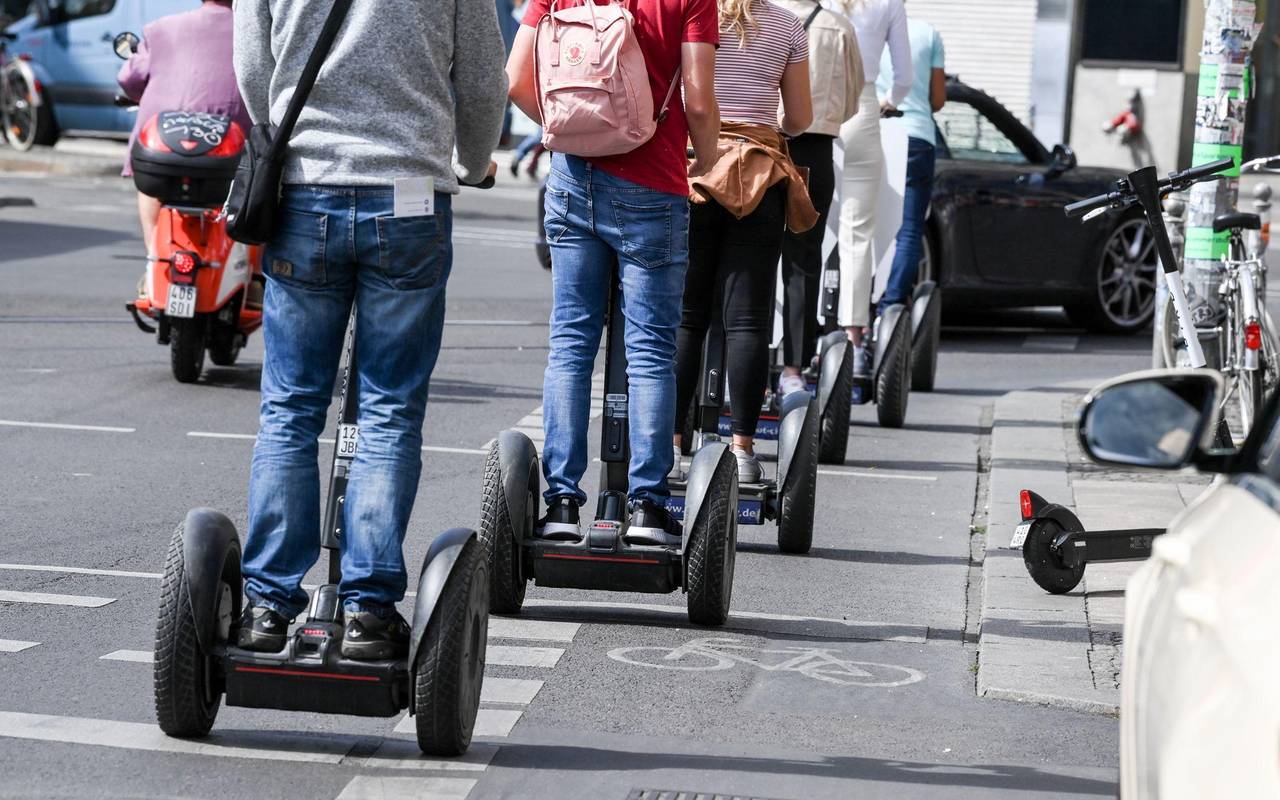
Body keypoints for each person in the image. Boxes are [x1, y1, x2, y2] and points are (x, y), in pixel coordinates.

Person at [231, 0, 507, 658]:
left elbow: (250, 65)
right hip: (408, 192)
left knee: (292, 407)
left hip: (305, 187)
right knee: (388, 410)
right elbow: (481, 79)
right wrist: (471, 161)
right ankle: (368, 613)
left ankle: (267, 604)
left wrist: (287, 131)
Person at [506, 0, 721, 545]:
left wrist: (570, 129)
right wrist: (708, 155)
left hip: (573, 182)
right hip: (653, 183)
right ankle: (647, 505)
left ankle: (559, 503)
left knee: (571, 342)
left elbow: (516, 81)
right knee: (649, 348)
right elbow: (697, 97)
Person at [674, 0, 816, 484]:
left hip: (693, 168)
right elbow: (798, 118)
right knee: (748, 321)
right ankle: (743, 449)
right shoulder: (787, 24)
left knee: (687, 316)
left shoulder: (690, 12)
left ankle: (671, 447)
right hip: (758, 172)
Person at [116, 0, 251, 293]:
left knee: (150, 187)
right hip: (229, 149)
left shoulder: (161, 29)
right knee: (256, 195)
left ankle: (154, 260)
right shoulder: (253, 30)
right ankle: (252, 279)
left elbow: (128, 79)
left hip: (163, 147)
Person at [773, 0, 864, 395]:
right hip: (815, 149)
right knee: (804, 259)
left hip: (764, 144)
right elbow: (851, 101)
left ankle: (747, 362)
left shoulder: (764, 16)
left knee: (750, 259)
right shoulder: (838, 26)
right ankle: (794, 368)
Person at [834, 0, 912, 375]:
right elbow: (904, 77)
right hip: (863, 105)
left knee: (799, 225)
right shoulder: (889, 4)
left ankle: (784, 338)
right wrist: (889, 102)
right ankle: (853, 336)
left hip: (817, 99)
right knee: (857, 230)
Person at [876, 13, 944, 316]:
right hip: (917, 136)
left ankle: (853, 311)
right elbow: (938, 99)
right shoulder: (928, 34)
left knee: (862, 224)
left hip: (872, 131)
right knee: (910, 228)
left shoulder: (859, 24)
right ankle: (890, 308)